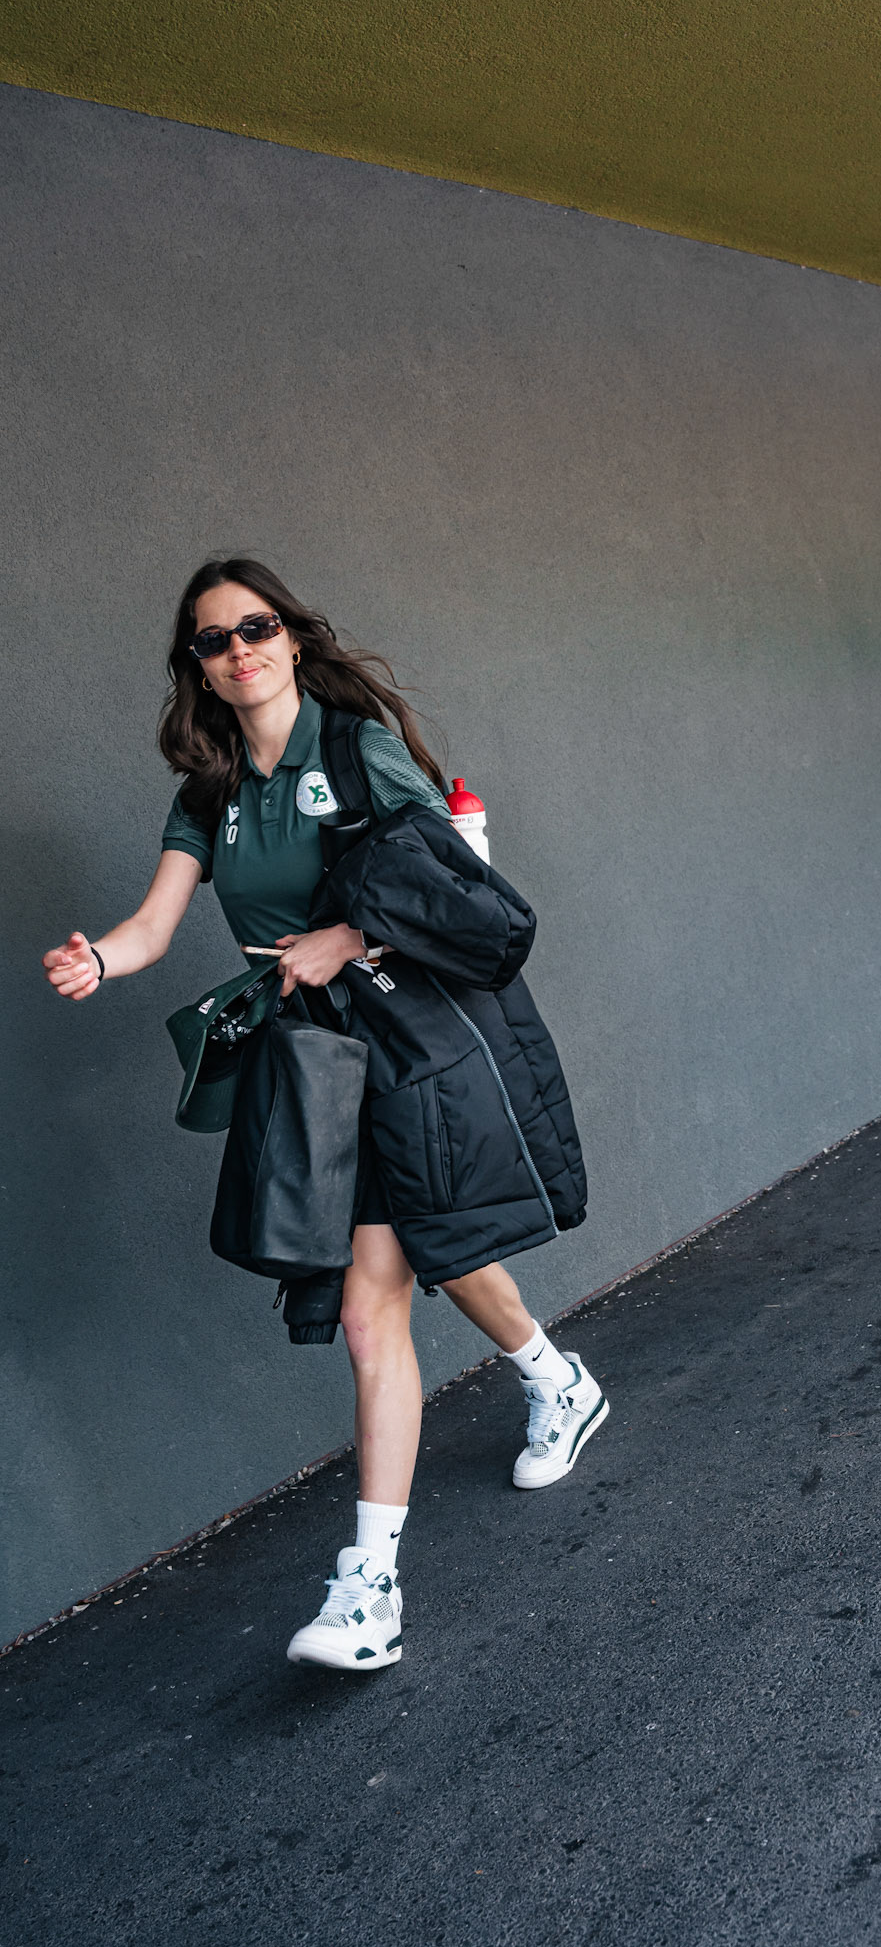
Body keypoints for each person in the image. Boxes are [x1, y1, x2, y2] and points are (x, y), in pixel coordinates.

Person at [42, 558, 607, 1670]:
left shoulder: (350, 745)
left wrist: (346, 935)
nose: (238, 647)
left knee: (368, 1306)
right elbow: (158, 922)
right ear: (196, 668)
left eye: (256, 626)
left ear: (292, 638)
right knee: (422, 1259)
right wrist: (98, 958)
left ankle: (371, 1588)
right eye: (213, 638)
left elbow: (446, 877)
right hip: (310, 1066)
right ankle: (559, 1377)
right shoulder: (209, 787)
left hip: (400, 1040)